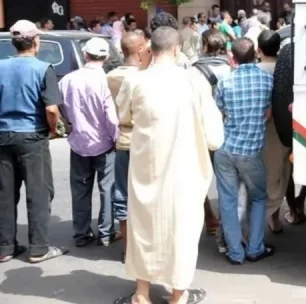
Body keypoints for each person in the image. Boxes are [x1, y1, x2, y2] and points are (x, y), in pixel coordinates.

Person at [114, 27, 223, 304]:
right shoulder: (194, 81)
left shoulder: (135, 81)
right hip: (185, 171)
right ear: (177, 49)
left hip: (146, 168)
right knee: (182, 230)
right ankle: (178, 294)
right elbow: (214, 138)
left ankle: (141, 293)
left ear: (151, 48)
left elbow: (123, 115)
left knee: (143, 228)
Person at [0, 20, 67, 263]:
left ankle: (5, 247)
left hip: (3, 136)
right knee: (38, 193)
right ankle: (38, 247)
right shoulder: (43, 68)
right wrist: (54, 129)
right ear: (36, 41)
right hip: (32, 136)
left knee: (4, 194)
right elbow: (51, 108)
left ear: (13, 43)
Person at [214, 38, 274, 264]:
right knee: (258, 197)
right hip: (250, 152)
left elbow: (218, 113)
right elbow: (269, 114)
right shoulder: (268, 80)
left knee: (228, 200)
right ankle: (255, 248)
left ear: (233, 57)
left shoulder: (224, 82)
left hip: (225, 149)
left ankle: (235, 252)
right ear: (255, 55)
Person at [59, 37, 121, 247]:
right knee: (108, 189)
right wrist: (116, 139)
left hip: (78, 142)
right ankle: (106, 233)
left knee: (80, 190)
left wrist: (69, 126)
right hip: (105, 144)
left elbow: (59, 108)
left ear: (85, 54)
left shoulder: (67, 80)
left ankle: (81, 233)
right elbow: (111, 117)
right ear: (106, 57)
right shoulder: (106, 81)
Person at [193, 29, 237, 253]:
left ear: (204, 45)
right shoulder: (231, 70)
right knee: (227, 182)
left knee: (199, 178)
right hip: (227, 131)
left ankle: (210, 219)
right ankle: (224, 223)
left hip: (200, 132)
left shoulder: (193, 71)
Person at [272, 40, 306, 226]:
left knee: (289, 169)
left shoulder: (285, 57)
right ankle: (300, 201)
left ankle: (293, 208)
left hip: (286, 122)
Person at [107, 32, 148, 252]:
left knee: (122, 195)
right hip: (145, 141)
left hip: (122, 141)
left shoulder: (110, 76)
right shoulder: (147, 77)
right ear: (141, 49)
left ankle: (128, 248)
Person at [257, 32, 291, 233]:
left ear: (258, 50)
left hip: (262, 131)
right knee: (281, 176)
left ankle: (260, 222)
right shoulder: (286, 68)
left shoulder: (254, 71)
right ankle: (273, 220)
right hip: (284, 131)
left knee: (268, 178)